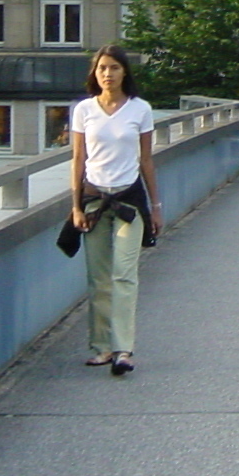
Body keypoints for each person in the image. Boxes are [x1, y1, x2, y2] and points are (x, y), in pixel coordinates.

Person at [69, 45, 162, 375]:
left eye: (114, 68)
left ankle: (124, 349)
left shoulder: (140, 109)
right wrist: (76, 206)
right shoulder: (84, 110)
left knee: (124, 275)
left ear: (125, 72)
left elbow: (147, 160)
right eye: (102, 68)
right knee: (99, 278)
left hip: (129, 201)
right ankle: (101, 347)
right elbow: (78, 160)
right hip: (94, 200)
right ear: (95, 74)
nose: (107, 74)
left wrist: (156, 207)